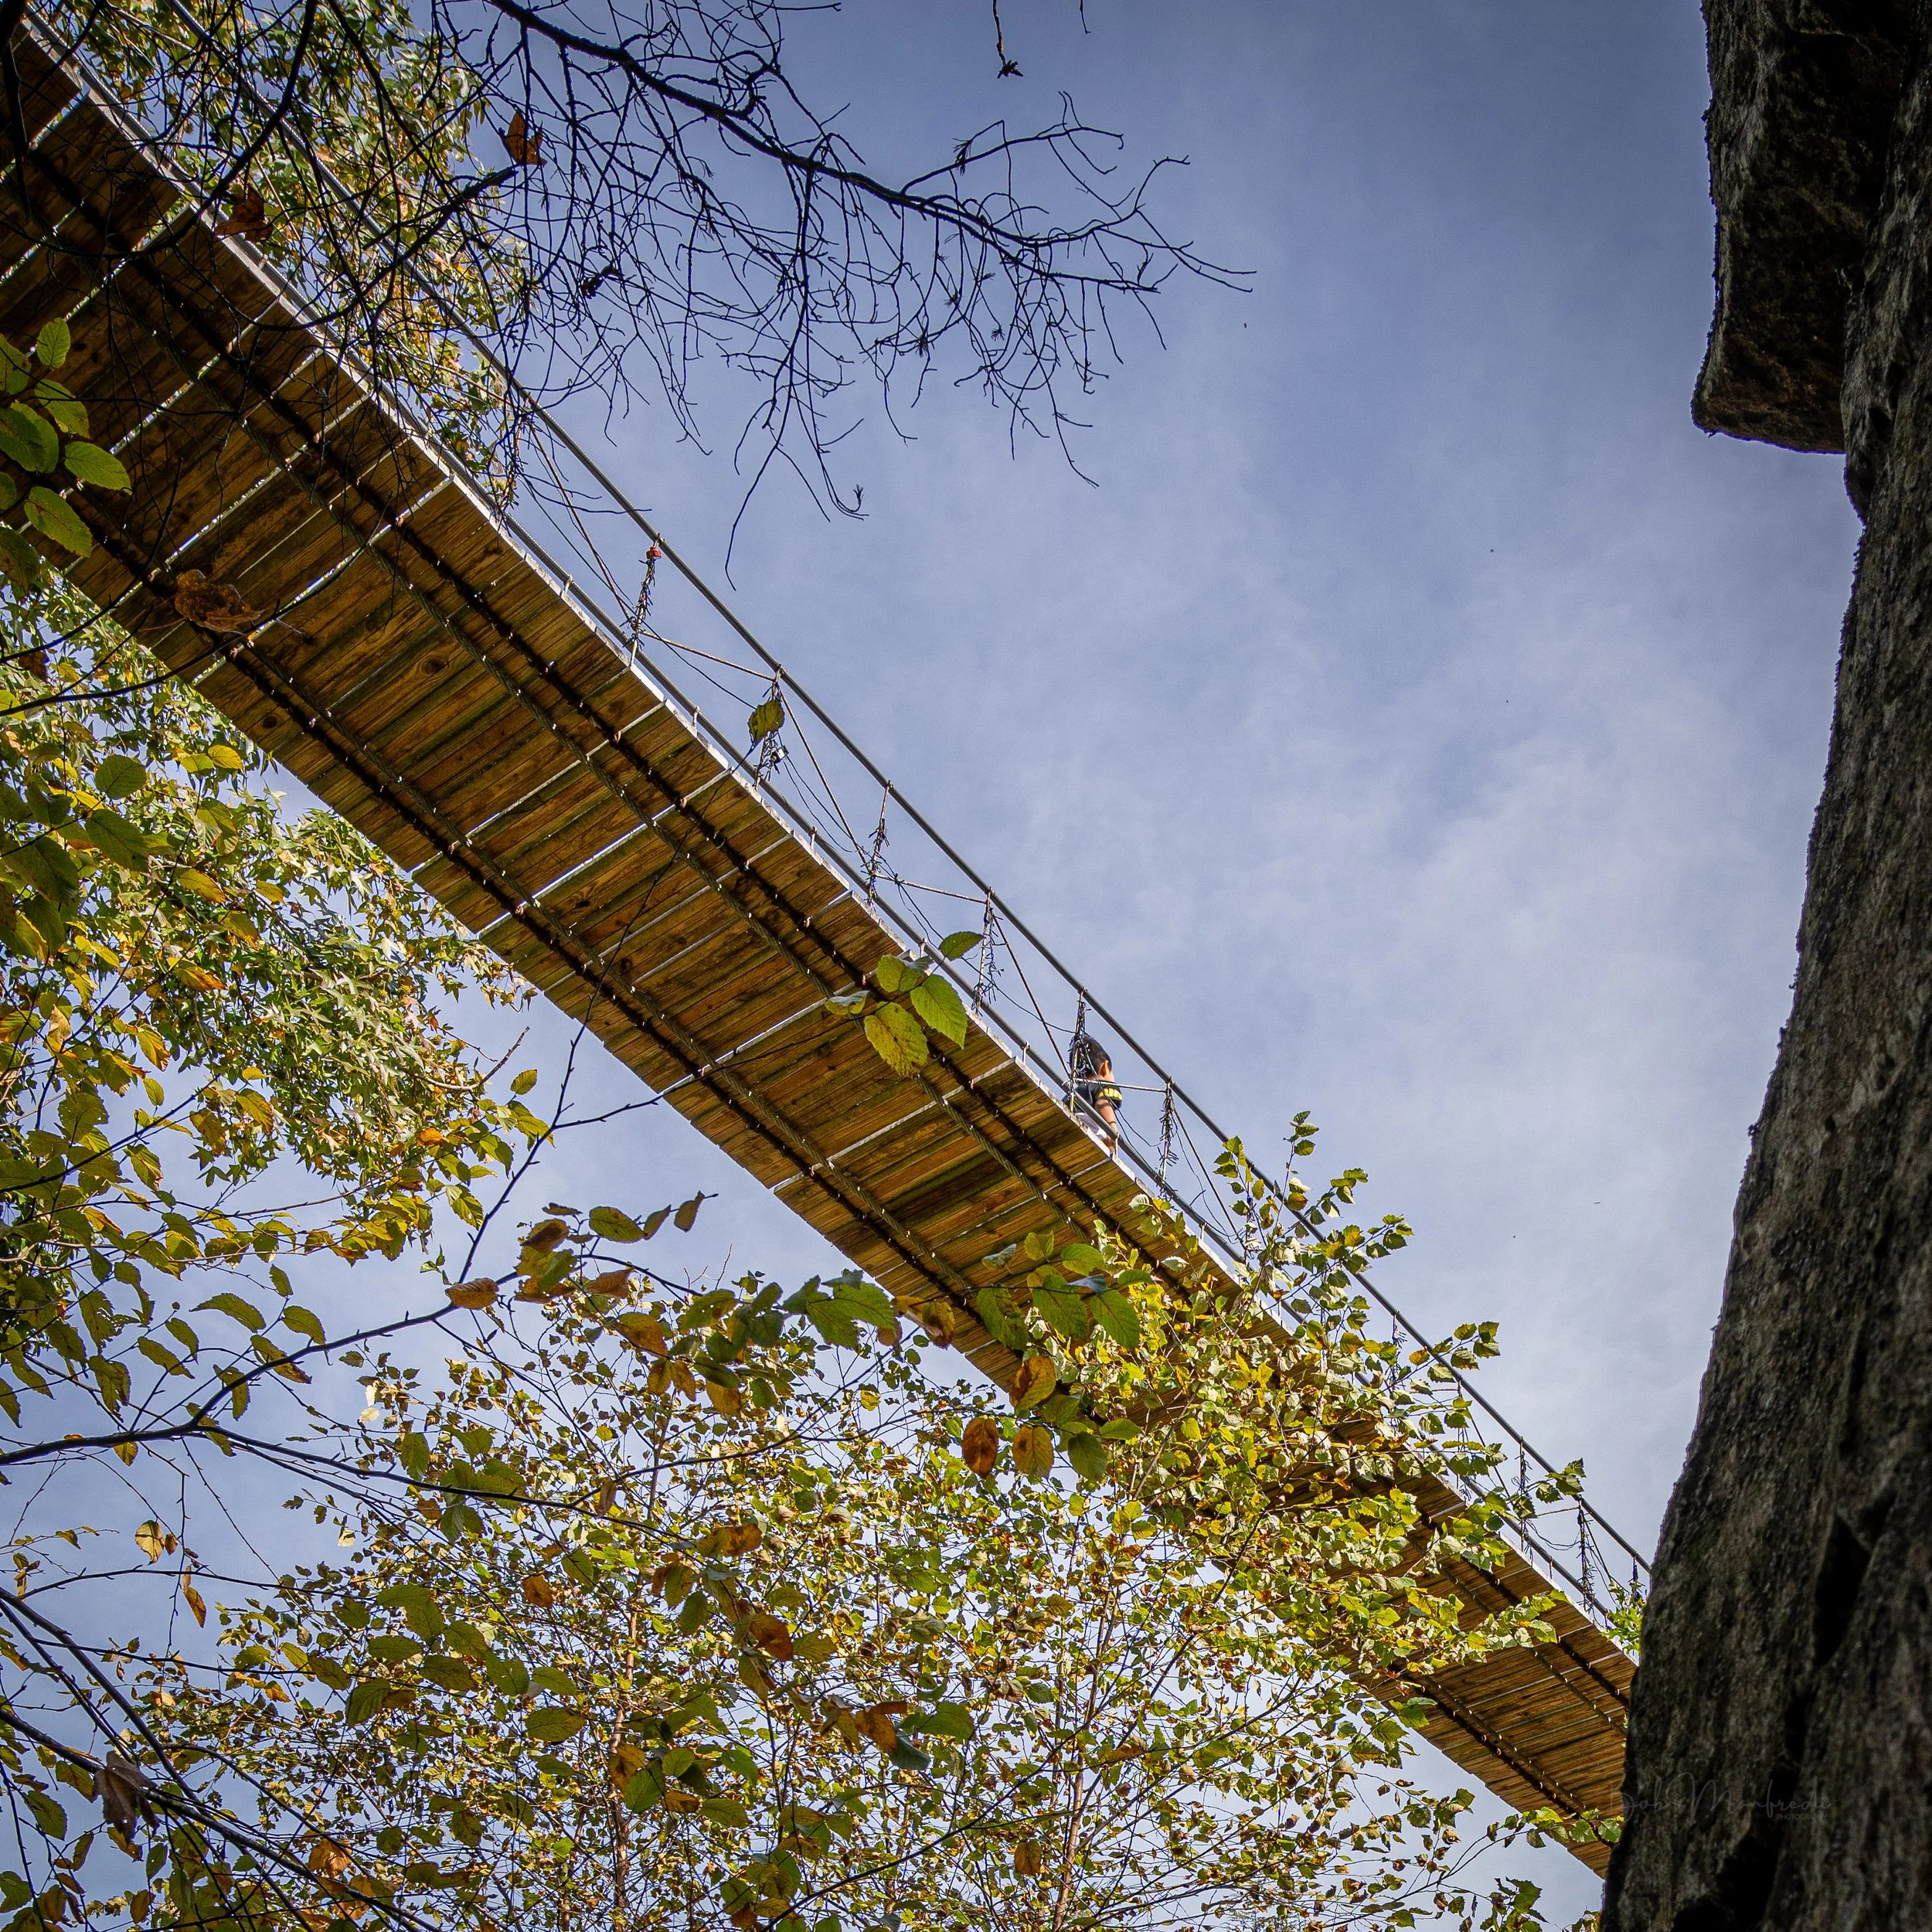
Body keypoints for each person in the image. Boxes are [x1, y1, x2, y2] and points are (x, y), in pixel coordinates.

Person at [1070, 1033, 1123, 1153]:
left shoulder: (1076, 1093)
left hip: (1065, 1121)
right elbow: (1102, 1104)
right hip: (1083, 1127)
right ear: (1105, 1067)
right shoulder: (1105, 1085)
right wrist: (1112, 1129)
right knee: (1108, 1144)